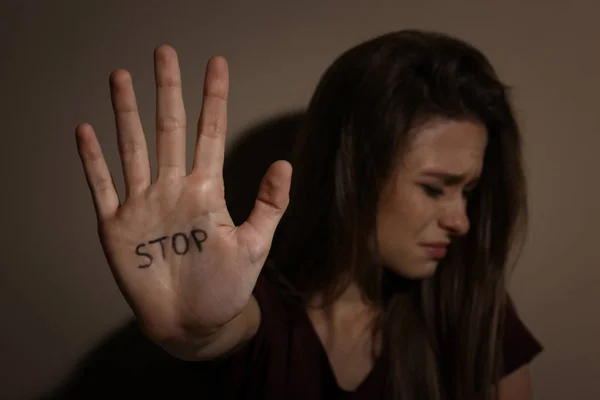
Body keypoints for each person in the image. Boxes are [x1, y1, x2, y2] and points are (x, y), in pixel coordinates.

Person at [75, 30, 542, 399]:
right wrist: (196, 333)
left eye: (470, 190)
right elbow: (224, 329)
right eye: (434, 188)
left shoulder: (472, 305)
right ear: (352, 174)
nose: (460, 220)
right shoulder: (263, 315)